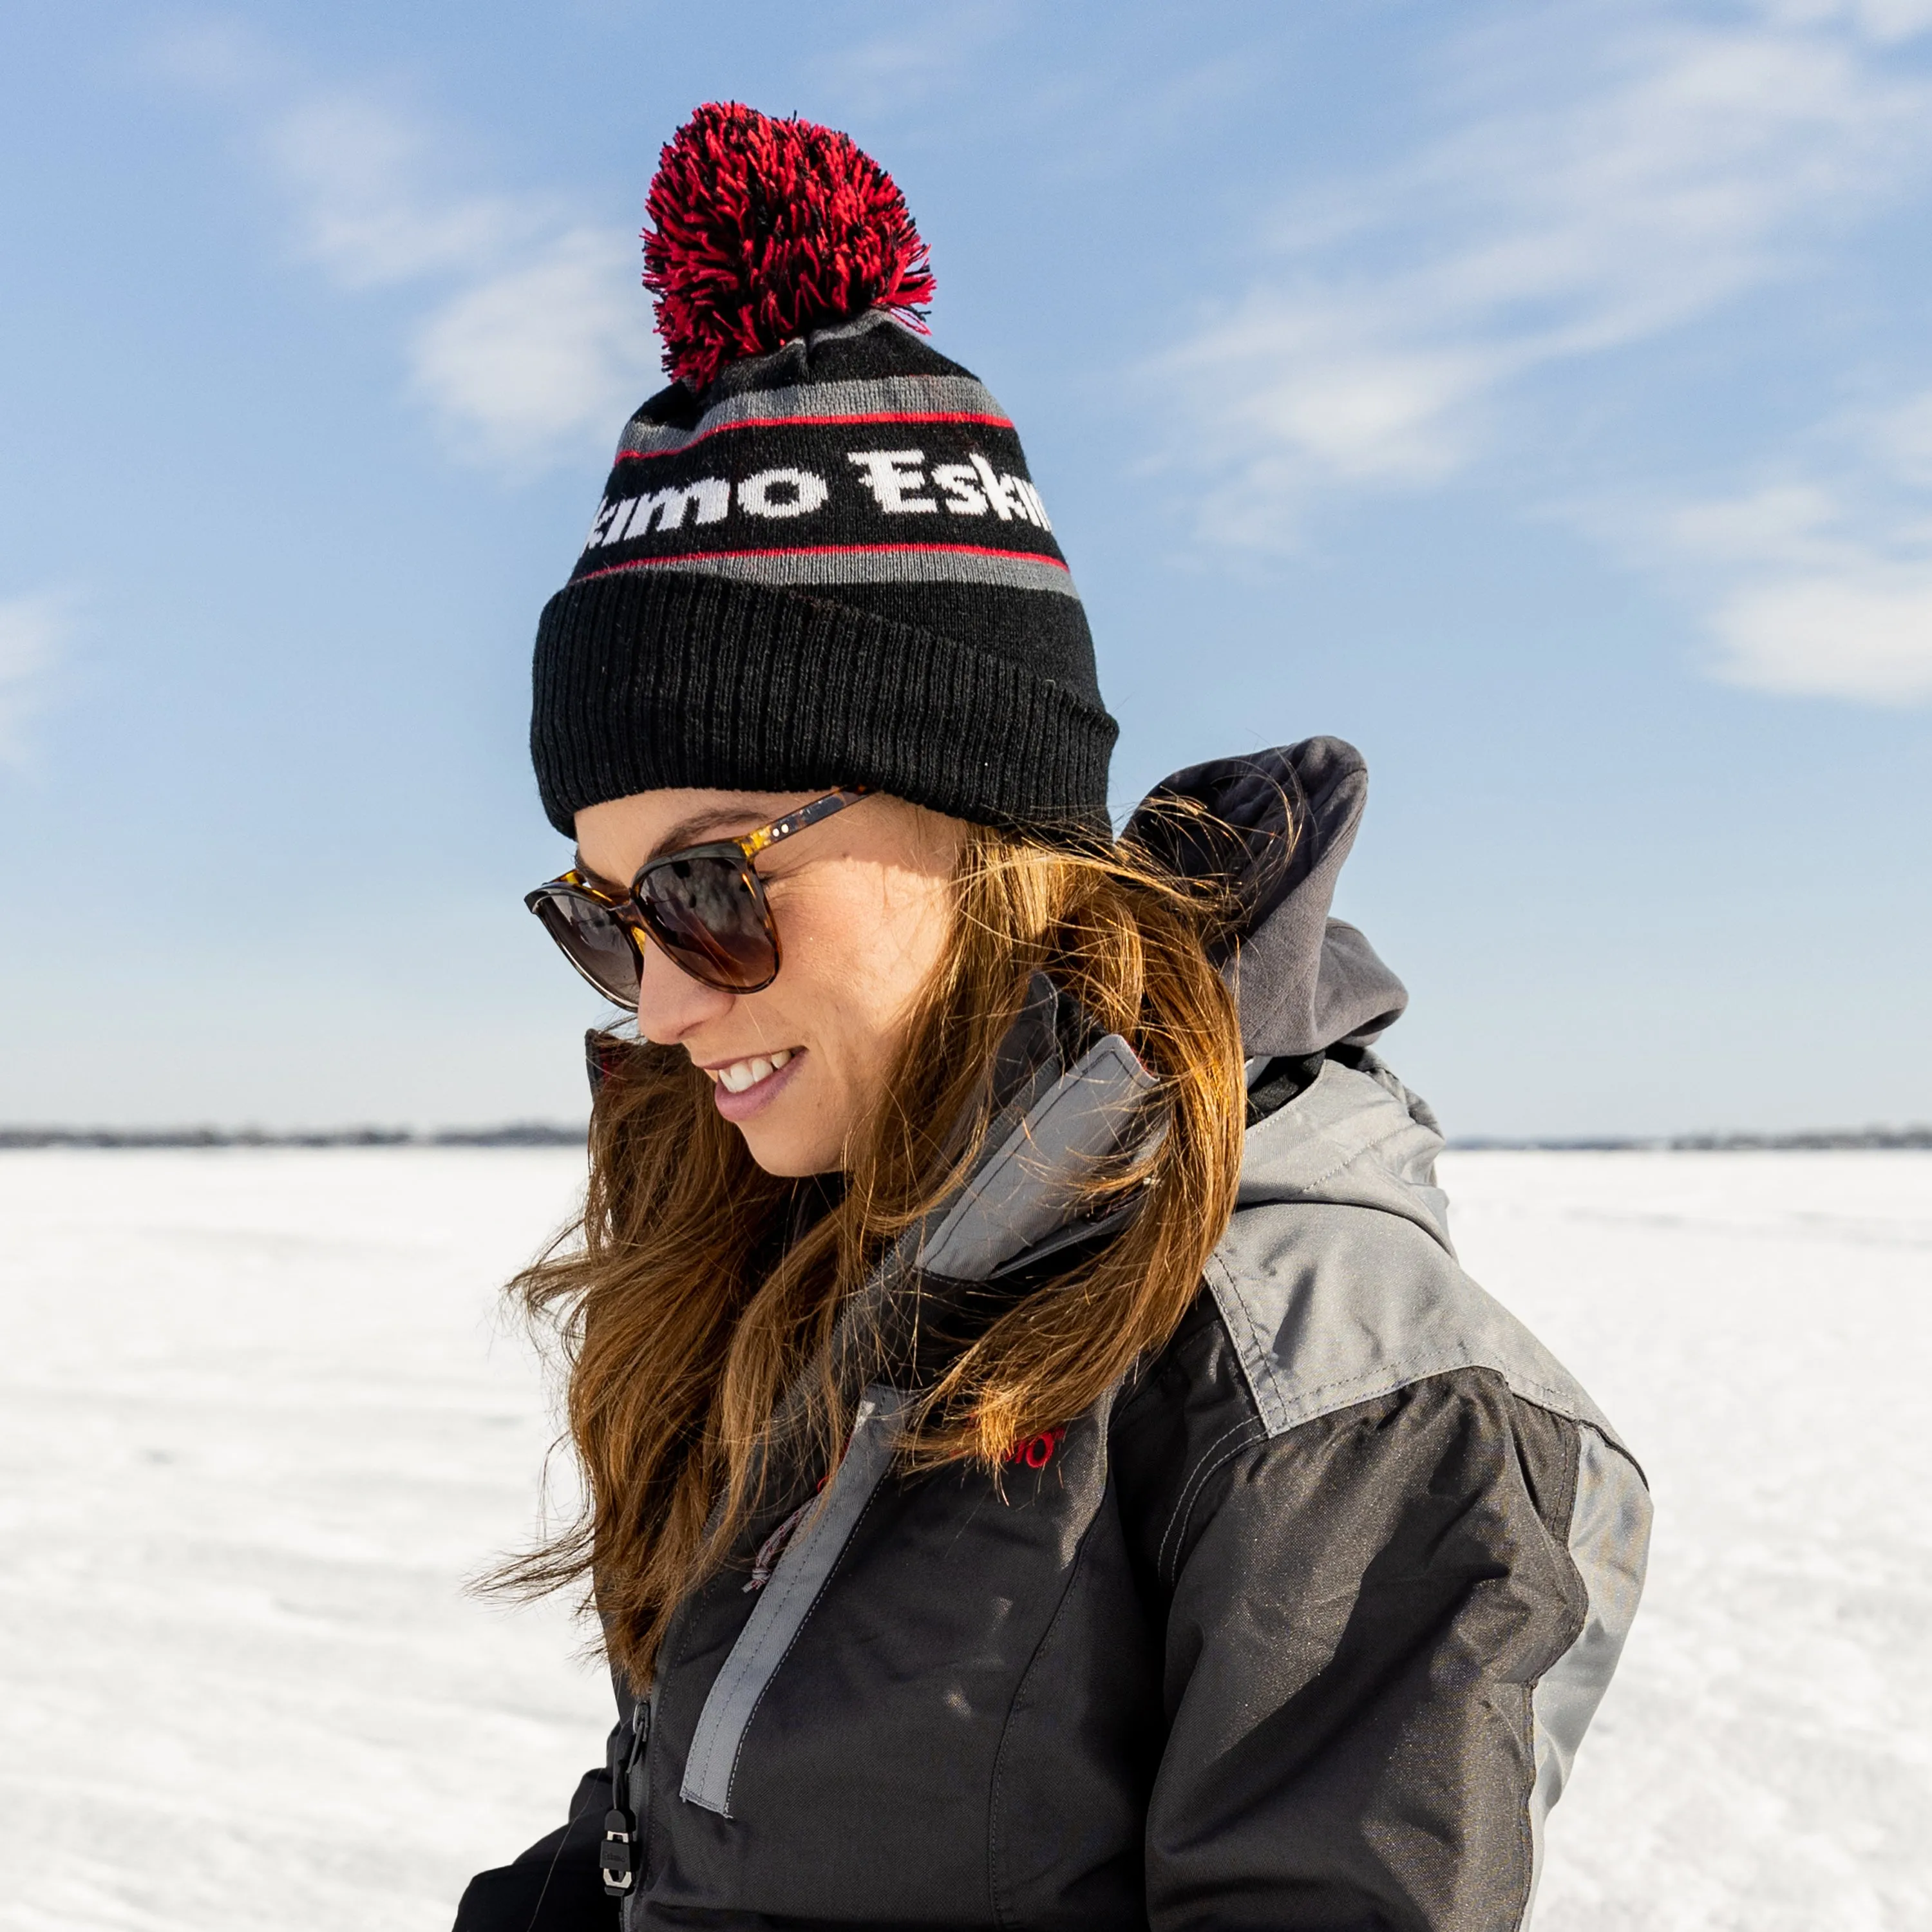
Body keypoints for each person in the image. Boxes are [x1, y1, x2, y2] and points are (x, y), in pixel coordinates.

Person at [456, 102, 1651, 1932]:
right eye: (604, 917)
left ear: (980, 822)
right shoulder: (821, 1255)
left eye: (711, 884)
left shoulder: (1324, 1381)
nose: (666, 999)